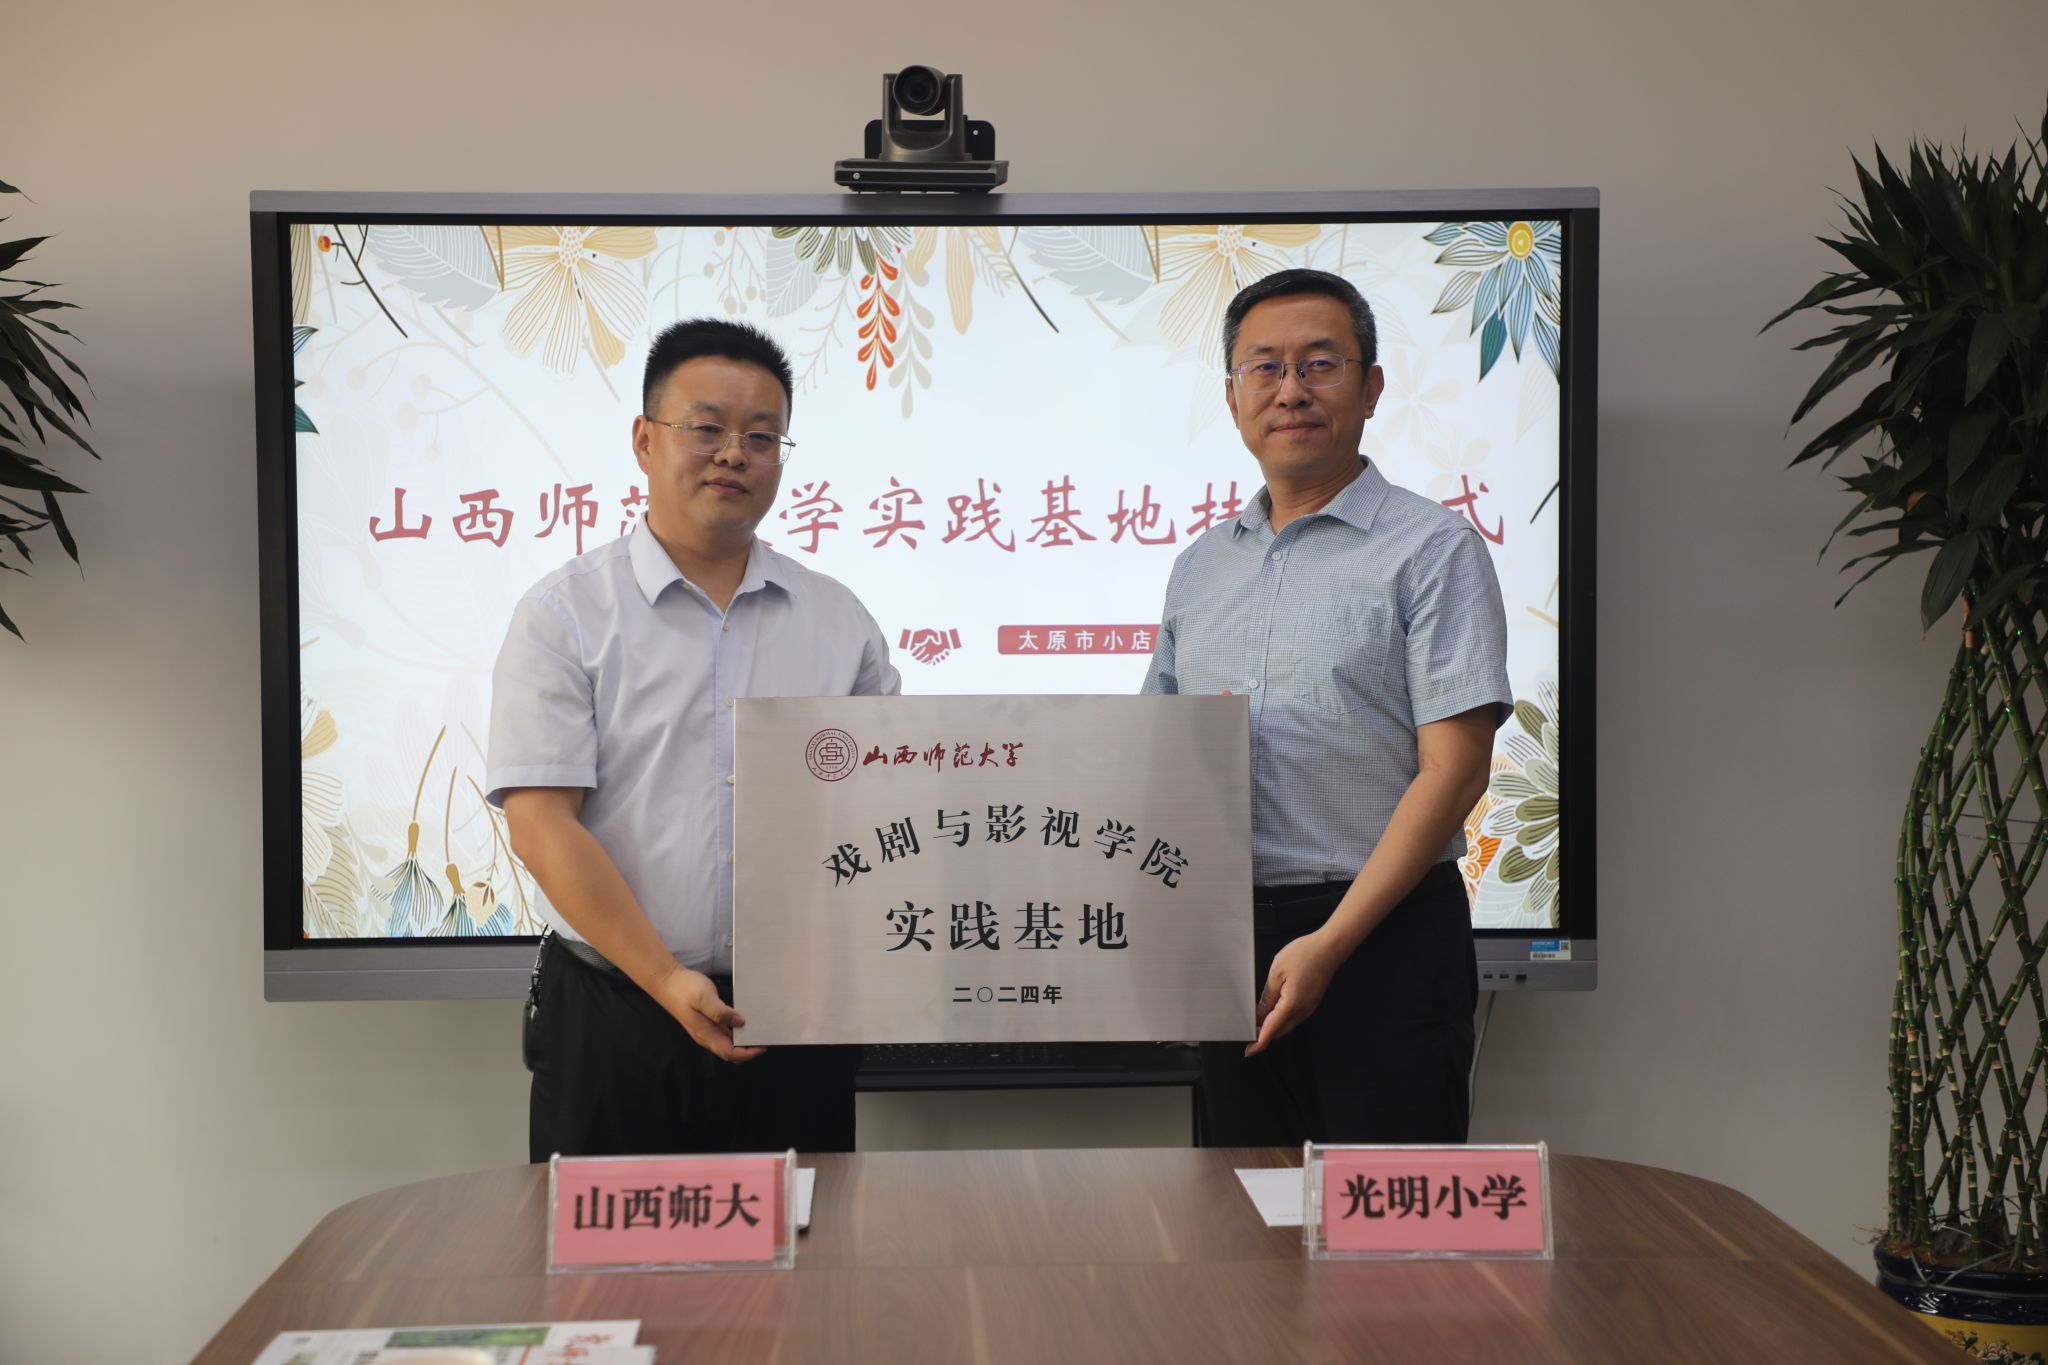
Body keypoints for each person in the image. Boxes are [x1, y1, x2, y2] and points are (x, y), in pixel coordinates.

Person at [487, 318, 900, 1162]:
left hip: (794, 1015)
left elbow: (887, 802)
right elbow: (539, 822)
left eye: (762, 436)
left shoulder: (838, 620)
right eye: (706, 427)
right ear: (645, 440)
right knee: (613, 1247)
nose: (733, 454)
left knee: (804, 1238)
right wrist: (666, 977)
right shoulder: (566, 613)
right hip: (615, 1013)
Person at [1141, 269, 1511, 1145]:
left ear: (1371, 387)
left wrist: (1331, 943)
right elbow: (1157, 754)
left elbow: (1455, 772)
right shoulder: (1200, 567)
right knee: (1240, 1207)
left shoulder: (1434, 549)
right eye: (1264, 367)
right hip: (1228, 941)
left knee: (1386, 1215)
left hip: (1383, 936)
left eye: (1319, 363)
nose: (1290, 390)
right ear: (1233, 397)